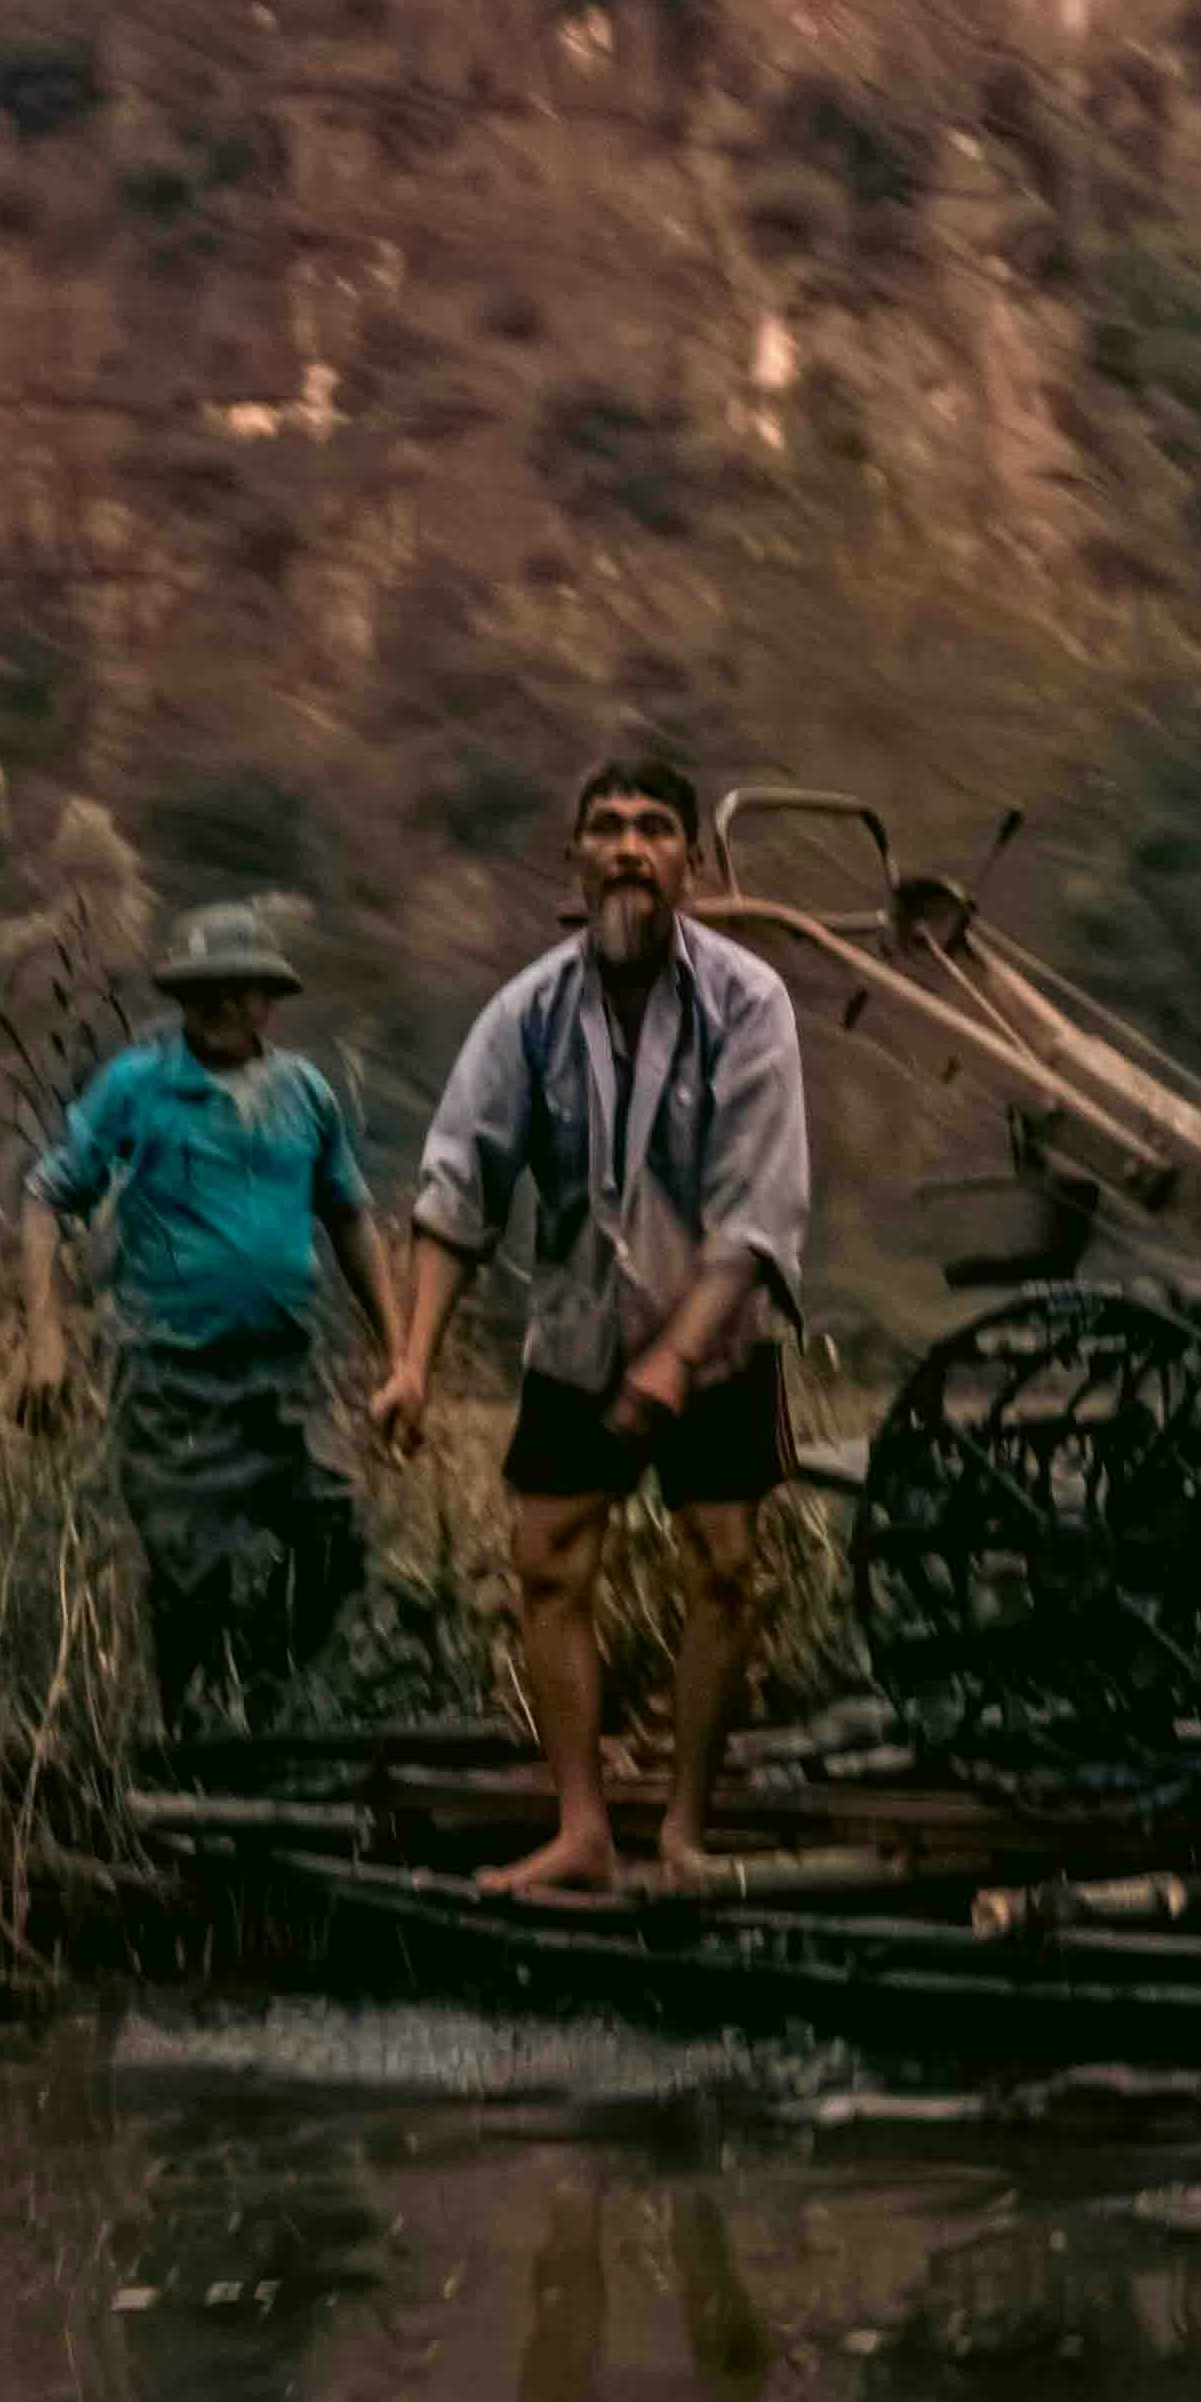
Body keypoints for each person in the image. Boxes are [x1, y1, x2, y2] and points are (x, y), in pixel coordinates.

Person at [374, 756, 813, 1891]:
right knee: (549, 1560)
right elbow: (456, 1186)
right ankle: (581, 1828)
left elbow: (759, 1214)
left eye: (654, 828)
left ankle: (684, 1832)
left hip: (717, 1336)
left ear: (692, 866)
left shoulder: (747, 1001)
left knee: (722, 1563)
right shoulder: (527, 1012)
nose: (628, 847)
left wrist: (672, 1361)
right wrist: (414, 1363)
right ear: (575, 859)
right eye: (606, 828)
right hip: (576, 1326)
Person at [20, 900, 398, 1731]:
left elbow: (350, 1218)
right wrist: (47, 1341)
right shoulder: (138, 1087)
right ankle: (185, 1742)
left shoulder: (303, 1092)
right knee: (188, 1572)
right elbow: (47, 1198)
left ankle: (262, 1687)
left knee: (333, 1536)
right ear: (183, 1001)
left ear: (271, 1000)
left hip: (284, 1374)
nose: (225, 1008)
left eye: (243, 991)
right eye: (205, 993)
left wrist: (398, 1357)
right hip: (170, 1378)